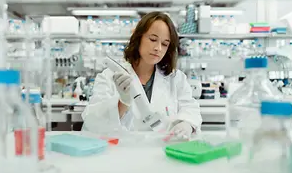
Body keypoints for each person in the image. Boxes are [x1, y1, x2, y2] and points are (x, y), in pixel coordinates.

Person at [82, 11, 202, 140]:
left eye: (165, 44)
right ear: (138, 38)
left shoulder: (176, 79)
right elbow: (92, 122)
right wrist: (122, 103)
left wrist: (186, 124)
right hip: (123, 153)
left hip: (162, 153)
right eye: (153, 39)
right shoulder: (109, 76)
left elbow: (191, 109)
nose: (158, 48)